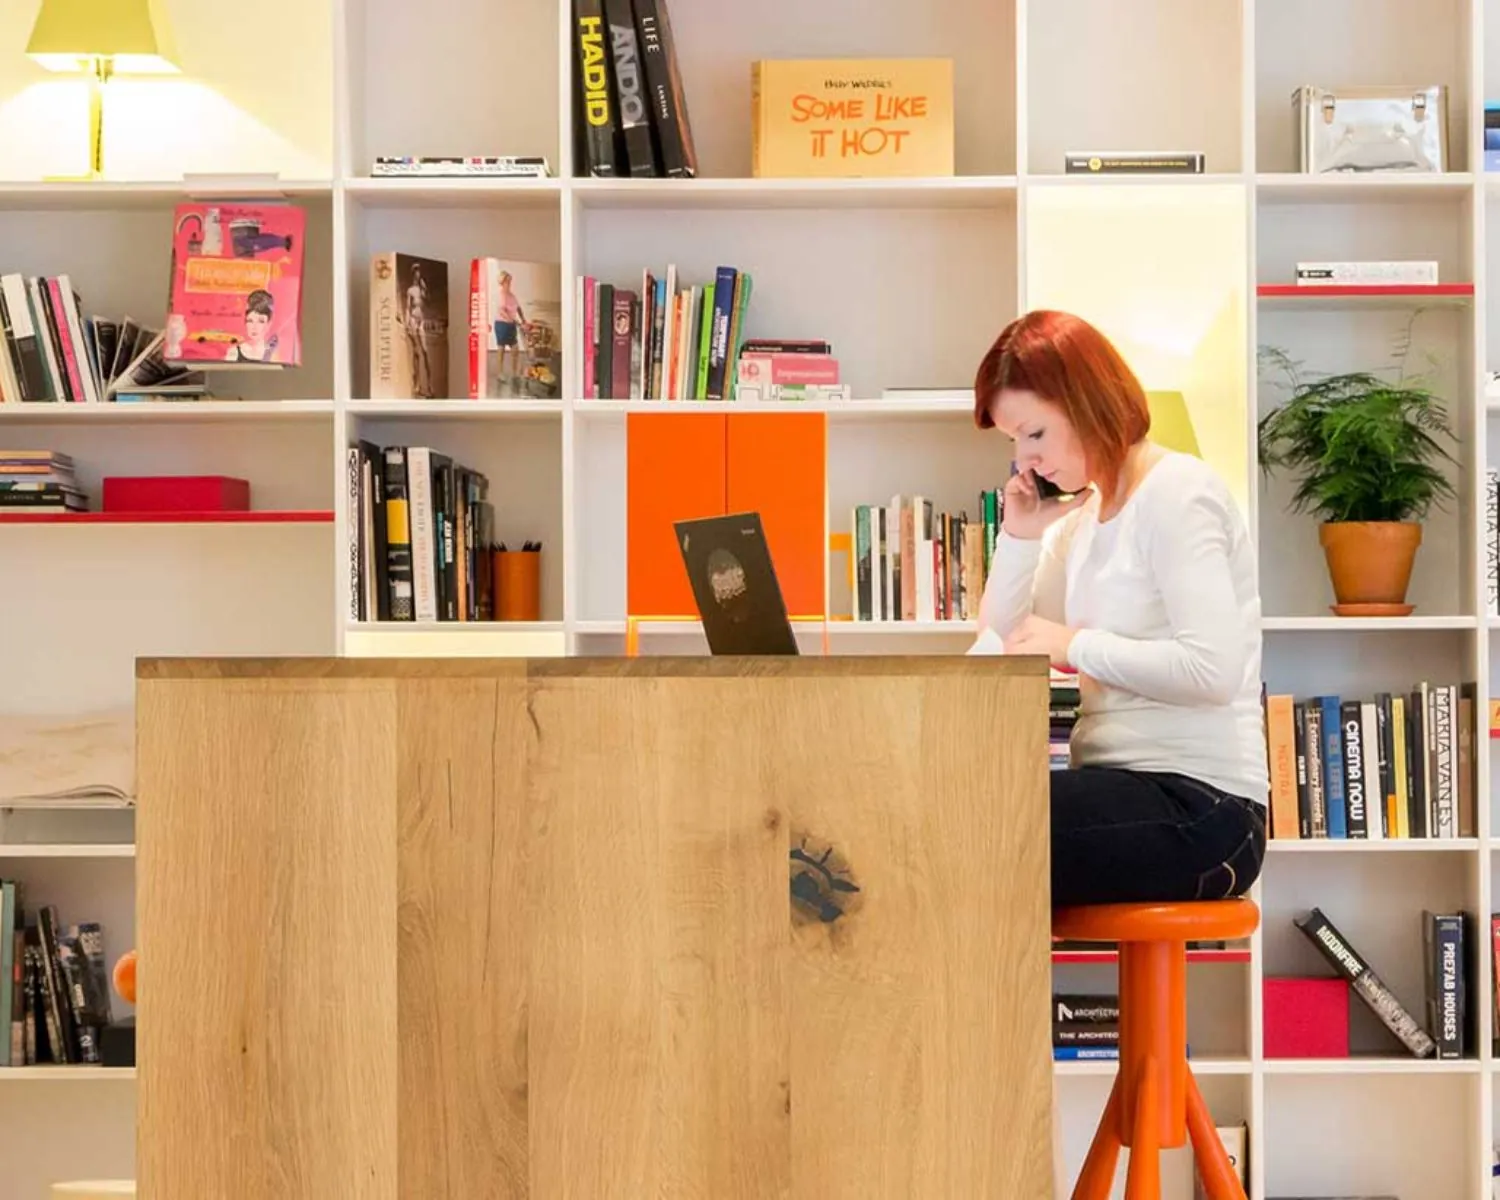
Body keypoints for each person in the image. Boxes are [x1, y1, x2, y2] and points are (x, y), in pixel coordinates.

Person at [973, 309, 1268, 909]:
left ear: (1085, 402)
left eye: (1035, 434)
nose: (1026, 461)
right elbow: (1002, 644)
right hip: (1121, 787)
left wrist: (1073, 646)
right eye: (1013, 443)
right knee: (964, 817)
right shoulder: (1085, 519)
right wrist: (1021, 536)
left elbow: (1214, 672)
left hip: (1208, 807)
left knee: (976, 830)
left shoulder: (1179, 493)